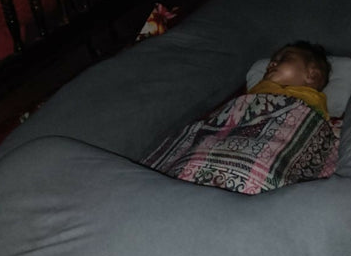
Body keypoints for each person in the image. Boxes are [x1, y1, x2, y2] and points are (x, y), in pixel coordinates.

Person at [142, 40, 338, 194]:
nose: (271, 63)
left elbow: (311, 129)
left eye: (283, 58)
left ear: (312, 76)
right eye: (272, 60)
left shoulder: (311, 99)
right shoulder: (255, 91)